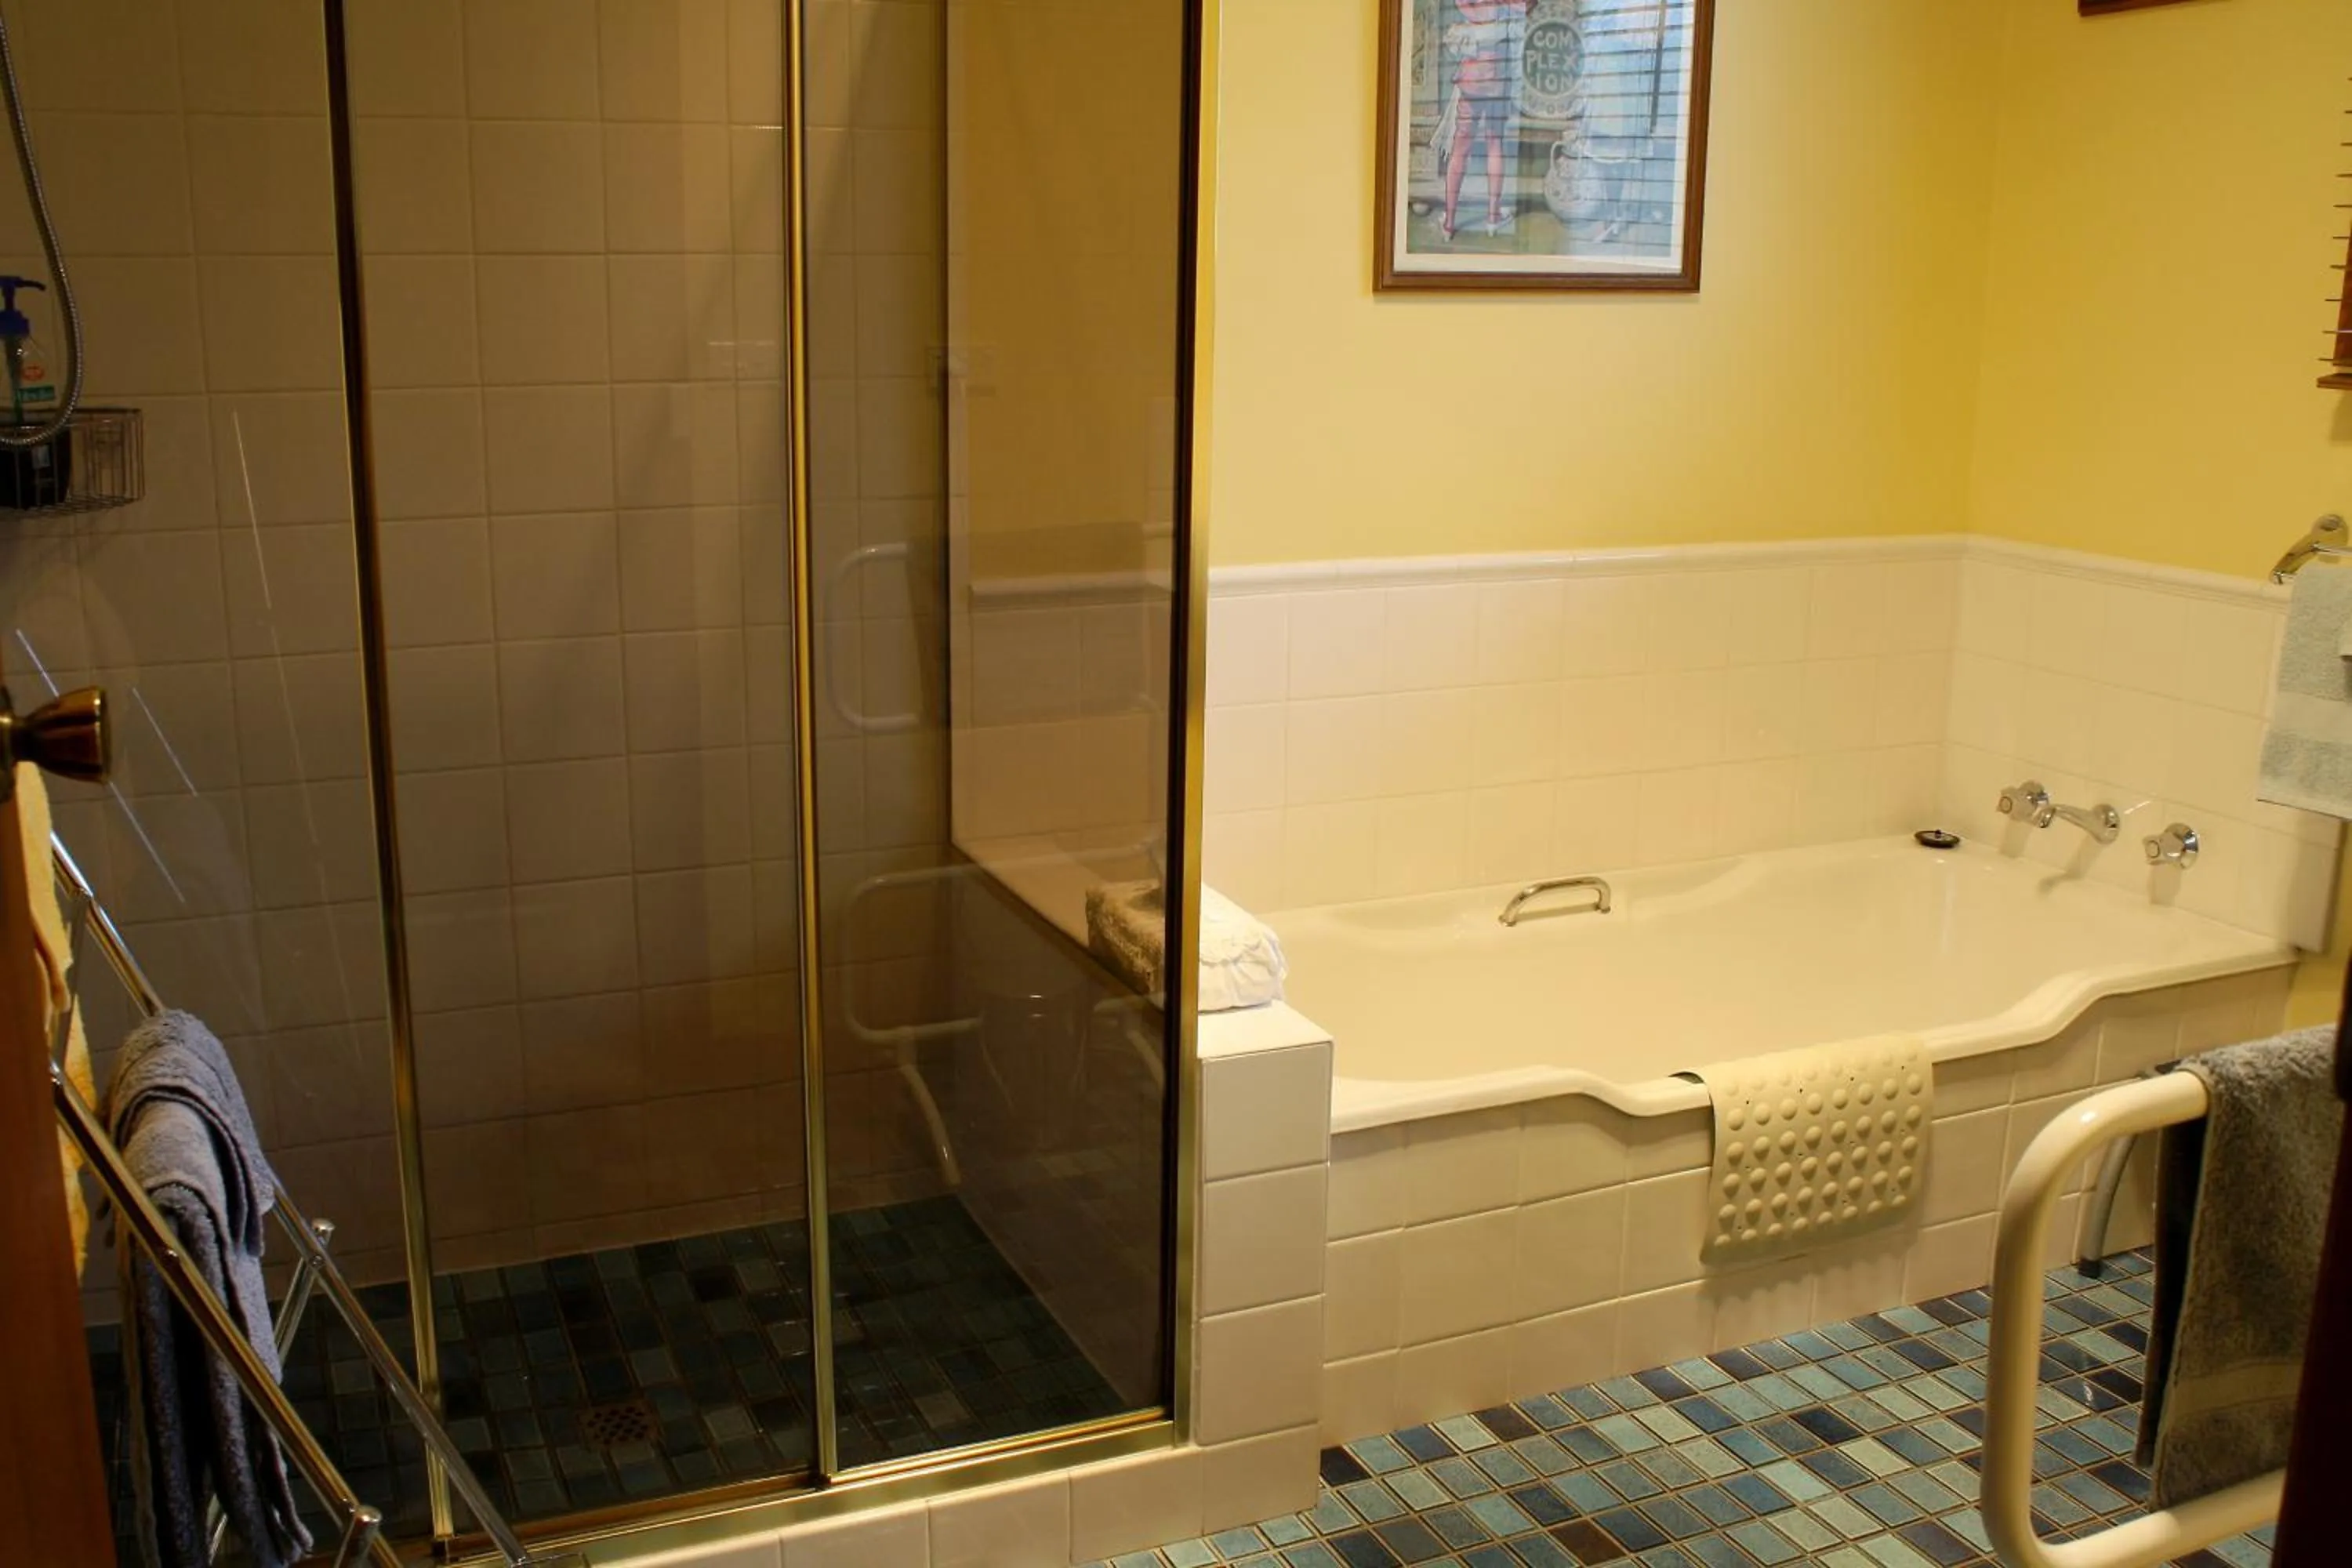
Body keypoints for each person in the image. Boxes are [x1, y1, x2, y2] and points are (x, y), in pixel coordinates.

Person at [1441, 0, 1531, 241]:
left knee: (1460, 150)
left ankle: (1449, 222)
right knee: (1495, 145)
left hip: (1471, 79)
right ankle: (1492, 217)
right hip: (1497, 79)